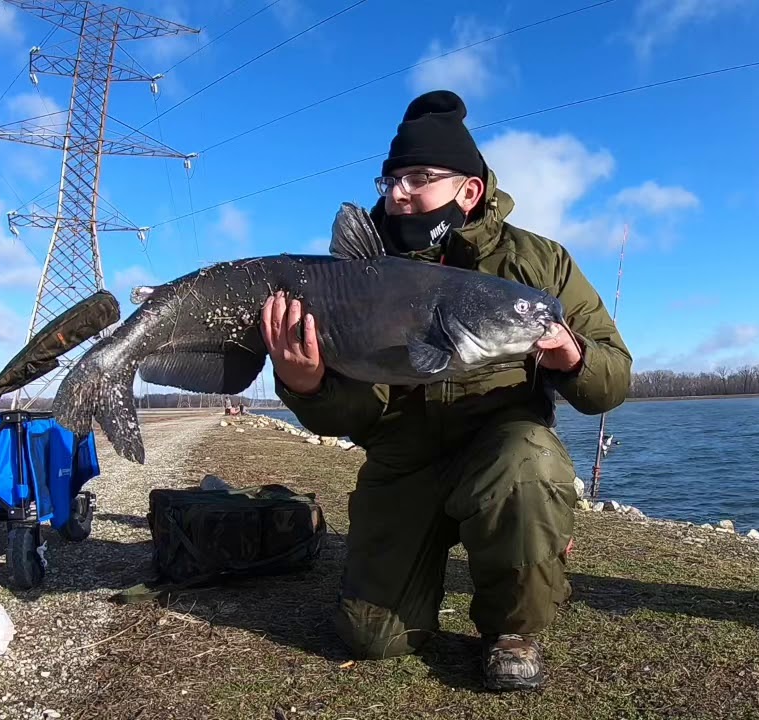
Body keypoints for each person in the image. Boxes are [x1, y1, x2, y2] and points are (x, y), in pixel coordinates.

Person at [260, 89, 632, 690]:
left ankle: (513, 627)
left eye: (418, 177)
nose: (400, 192)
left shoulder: (540, 265)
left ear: (469, 190)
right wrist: (307, 386)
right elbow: (352, 415)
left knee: (528, 458)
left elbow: (613, 381)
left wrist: (574, 356)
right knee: (371, 638)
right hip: (403, 462)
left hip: (500, 457)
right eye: (391, 180)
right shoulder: (351, 276)